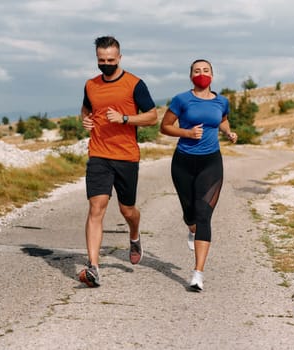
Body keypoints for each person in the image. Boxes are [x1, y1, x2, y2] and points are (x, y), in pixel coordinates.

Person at [78, 36, 158, 287]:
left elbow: (152, 117)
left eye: (110, 60)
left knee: (127, 210)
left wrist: (124, 119)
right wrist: (86, 120)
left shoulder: (135, 84)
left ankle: (134, 234)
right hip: (99, 154)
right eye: (101, 61)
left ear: (120, 57)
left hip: (126, 156)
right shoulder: (91, 85)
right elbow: (86, 110)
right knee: (96, 208)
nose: (106, 64)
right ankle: (94, 267)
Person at [160, 59, 237, 292]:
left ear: (212, 75)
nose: (201, 74)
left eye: (205, 70)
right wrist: (186, 132)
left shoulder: (222, 101)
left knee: (204, 215)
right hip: (183, 162)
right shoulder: (182, 99)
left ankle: (197, 274)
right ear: (190, 75)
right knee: (190, 214)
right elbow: (164, 127)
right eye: (197, 71)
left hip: (211, 163)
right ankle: (191, 228)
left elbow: (222, 120)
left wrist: (228, 131)